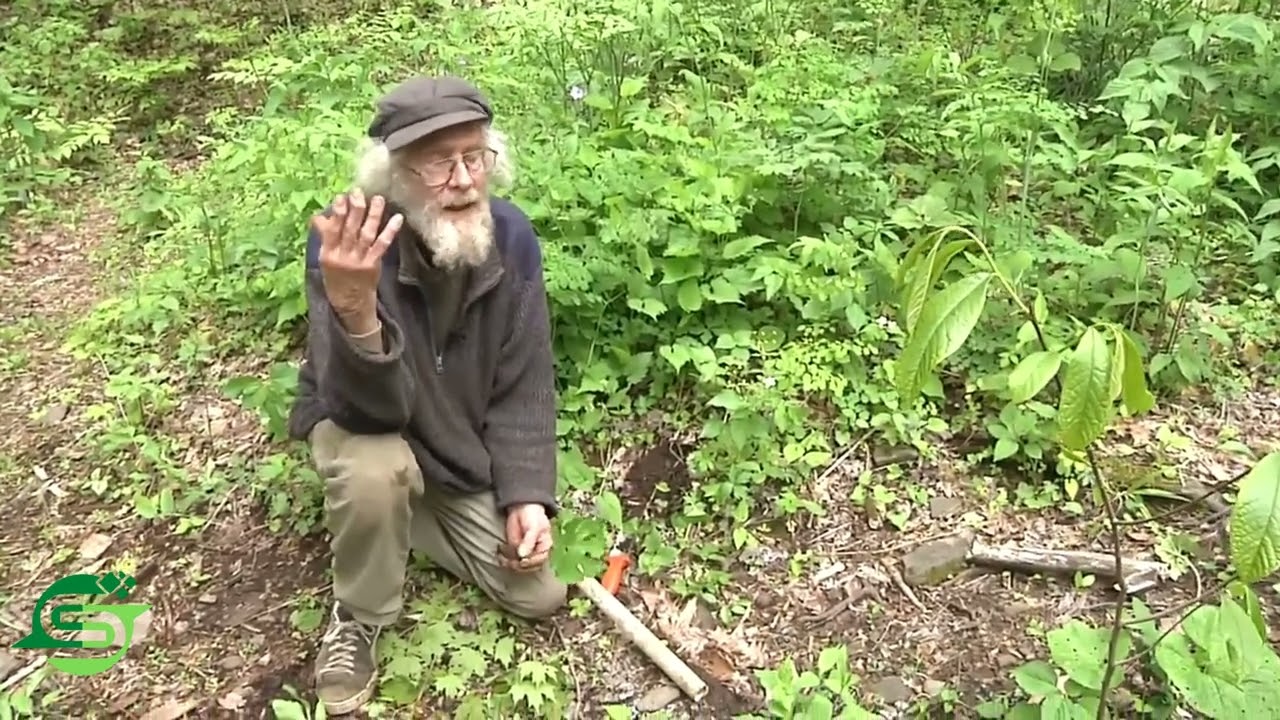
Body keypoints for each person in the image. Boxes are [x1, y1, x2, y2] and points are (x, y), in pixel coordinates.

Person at [286, 75, 567, 715]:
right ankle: (359, 616)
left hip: (452, 444)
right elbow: (362, 411)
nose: (464, 180)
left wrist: (525, 494)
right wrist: (355, 308)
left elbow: (524, 382)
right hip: (366, 425)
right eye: (439, 163)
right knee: (374, 468)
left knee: (537, 595)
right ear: (396, 176)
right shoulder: (348, 245)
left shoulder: (513, 237)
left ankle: (399, 517)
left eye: (475, 157)